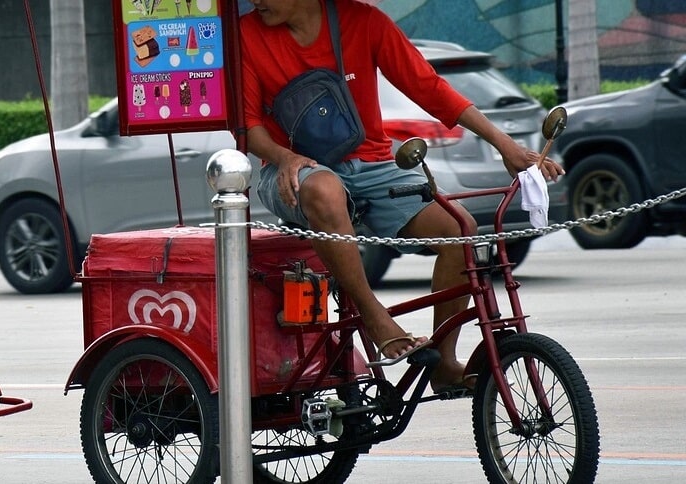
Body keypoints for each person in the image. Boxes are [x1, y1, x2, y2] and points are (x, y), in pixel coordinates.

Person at [239, 0, 564, 391]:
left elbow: (429, 88)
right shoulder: (245, 34)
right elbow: (249, 129)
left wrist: (504, 144)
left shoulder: (366, 22)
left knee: (460, 227)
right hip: (287, 170)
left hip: (372, 164)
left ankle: (444, 364)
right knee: (325, 188)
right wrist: (285, 157)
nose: (256, 1)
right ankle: (375, 317)